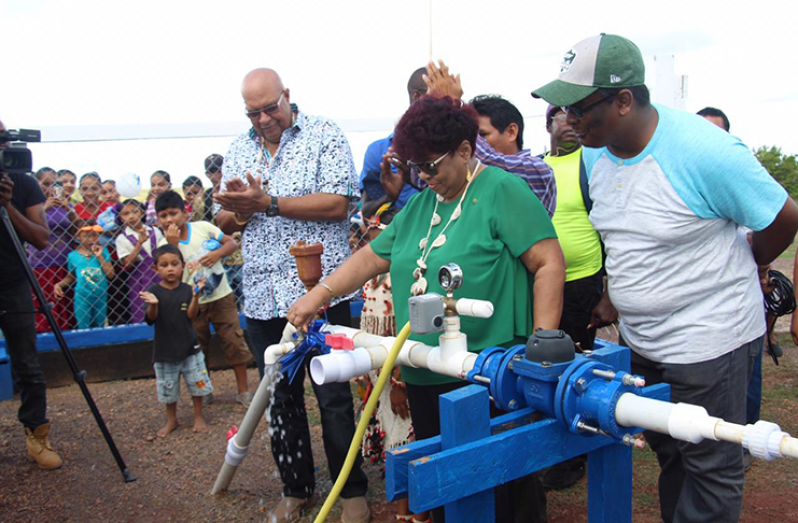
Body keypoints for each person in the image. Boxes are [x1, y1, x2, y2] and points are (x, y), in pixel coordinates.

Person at [531, 33, 798, 523]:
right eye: (561, 108)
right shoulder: (594, 152)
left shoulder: (705, 152)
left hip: (710, 343)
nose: (566, 122)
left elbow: (782, 217)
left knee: (712, 464)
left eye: (577, 108)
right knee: (671, 448)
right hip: (645, 342)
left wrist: (749, 261)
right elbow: (618, 231)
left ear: (624, 101)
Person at [288, 96, 566, 523]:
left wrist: (542, 344)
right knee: (445, 483)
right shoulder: (421, 204)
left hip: (490, 371)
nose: (423, 176)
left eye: (431, 165)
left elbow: (548, 261)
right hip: (425, 367)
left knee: (504, 486)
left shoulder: (501, 190)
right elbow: (371, 258)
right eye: (414, 167)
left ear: (464, 150)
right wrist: (318, 293)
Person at [214, 68, 369, 523]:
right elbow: (224, 220)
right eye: (253, 112)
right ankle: (295, 488)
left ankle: (352, 491)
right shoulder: (239, 147)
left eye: (269, 108)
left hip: (321, 290)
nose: (262, 119)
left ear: (288, 96)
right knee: (278, 397)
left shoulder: (324, 133)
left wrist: (270, 203)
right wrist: (240, 208)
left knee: (334, 394)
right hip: (262, 294)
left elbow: (340, 203)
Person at [537, 104, 618, 490]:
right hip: (540, 282)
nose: (570, 126)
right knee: (543, 363)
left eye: (575, 119)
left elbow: (613, 232)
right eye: (561, 119)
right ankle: (548, 443)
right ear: (547, 125)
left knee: (578, 369)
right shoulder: (537, 167)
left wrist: (607, 292)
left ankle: (575, 455)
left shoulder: (593, 164)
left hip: (583, 283)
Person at [392, 61, 557, 218]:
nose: (468, 145)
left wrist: (451, 106)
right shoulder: (459, 179)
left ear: (511, 132)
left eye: (481, 135)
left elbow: (487, 162)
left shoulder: (538, 172)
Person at [0, 118, 62, 470]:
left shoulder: (21, 183)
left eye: (4, 141)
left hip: (13, 283)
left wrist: (6, 205)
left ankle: (36, 436)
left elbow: (40, 237)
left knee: (27, 363)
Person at [155, 191, 253, 408]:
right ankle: (203, 390)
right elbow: (172, 279)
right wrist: (172, 246)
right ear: (158, 219)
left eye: (173, 213)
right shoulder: (163, 245)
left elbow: (231, 244)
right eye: (163, 216)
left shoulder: (202, 228)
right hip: (191, 303)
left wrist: (217, 255)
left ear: (184, 212)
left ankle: (243, 391)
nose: (169, 220)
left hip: (222, 297)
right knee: (198, 348)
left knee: (233, 340)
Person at [356, 199, 416, 523]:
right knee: (396, 441)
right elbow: (370, 324)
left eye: (378, 238)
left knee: (406, 441)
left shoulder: (402, 278)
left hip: (399, 377)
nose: (371, 246)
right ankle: (407, 510)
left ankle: (412, 512)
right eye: (369, 238)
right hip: (380, 374)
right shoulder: (373, 279)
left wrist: (397, 384)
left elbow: (404, 336)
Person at [140, 244, 213, 436]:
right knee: (168, 388)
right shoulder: (153, 291)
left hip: (190, 347)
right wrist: (153, 305)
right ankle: (171, 420)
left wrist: (195, 297)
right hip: (165, 350)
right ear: (155, 269)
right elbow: (151, 319)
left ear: (183, 266)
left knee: (197, 383)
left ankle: (198, 416)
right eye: (164, 265)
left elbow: (191, 315)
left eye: (174, 264)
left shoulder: (188, 289)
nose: (170, 268)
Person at [359, 68, 428, 209]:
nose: (447, 101)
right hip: (397, 228)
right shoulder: (378, 151)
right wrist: (390, 198)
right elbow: (367, 214)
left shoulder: (451, 148)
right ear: (417, 96)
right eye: (440, 94)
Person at [28, 167, 80, 332]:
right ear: (37, 184)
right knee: (47, 302)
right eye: (46, 183)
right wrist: (45, 208)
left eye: (55, 183)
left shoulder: (66, 204)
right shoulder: (33, 205)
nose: (50, 187)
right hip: (42, 263)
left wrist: (68, 209)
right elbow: (28, 226)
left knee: (66, 302)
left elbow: (76, 230)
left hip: (65, 261)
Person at [54, 221, 115, 329]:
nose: (91, 239)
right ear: (78, 237)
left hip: (101, 296)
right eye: (86, 236)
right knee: (83, 326)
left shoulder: (104, 251)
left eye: (94, 235)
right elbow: (71, 276)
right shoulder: (73, 256)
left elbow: (110, 275)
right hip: (82, 296)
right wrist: (59, 284)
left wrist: (100, 257)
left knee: (100, 325)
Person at [115, 199, 164, 323]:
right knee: (140, 312)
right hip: (138, 282)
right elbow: (127, 263)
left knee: (164, 307)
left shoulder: (155, 231)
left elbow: (163, 253)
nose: (131, 216)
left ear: (142, 213)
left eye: (134, 212)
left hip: (159, 277)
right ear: (121, 218)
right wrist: (139, 244)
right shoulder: (122, 238)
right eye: (126, 214)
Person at [205, 153, 244, 308]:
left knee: (246, 297)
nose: (216, 175)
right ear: (207, 174)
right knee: (226, 300)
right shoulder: (204, 198)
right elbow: (201, 224)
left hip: (242, 255)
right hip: (219, 256)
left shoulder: (237, 192)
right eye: (212, 171)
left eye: (219, 170)